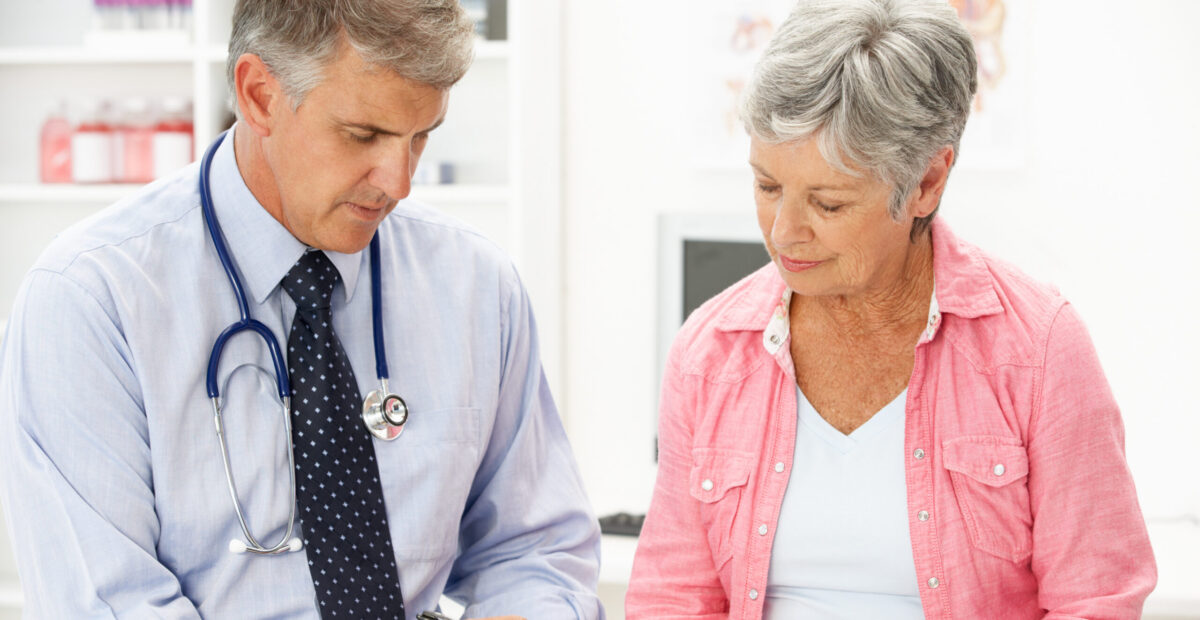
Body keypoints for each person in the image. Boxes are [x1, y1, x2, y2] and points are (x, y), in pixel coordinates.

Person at [0, 1, 602, 618]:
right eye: (363, 135)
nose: (398, 183)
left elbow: (534, 551)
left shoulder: (475, 285)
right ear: (259, 95)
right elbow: (107, 603)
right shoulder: (91, 300)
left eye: (420, 137)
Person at [626, 0, 1155, 618]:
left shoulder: (1038, 349)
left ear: (928, 183)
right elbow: (672, 598)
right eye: (767, 186)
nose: (784, 231)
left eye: (828, 203)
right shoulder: (710, 351)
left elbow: (1095, 601)